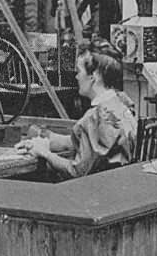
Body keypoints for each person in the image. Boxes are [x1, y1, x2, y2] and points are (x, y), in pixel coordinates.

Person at [16, 38, 137, 179]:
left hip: (97, 190)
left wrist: (44, 153)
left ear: (94, 77)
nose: (77, 76)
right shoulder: (121, 103)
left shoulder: (97, 117)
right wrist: (43, 143)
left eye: (79, 71)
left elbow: (77, 171)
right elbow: (84, 141)